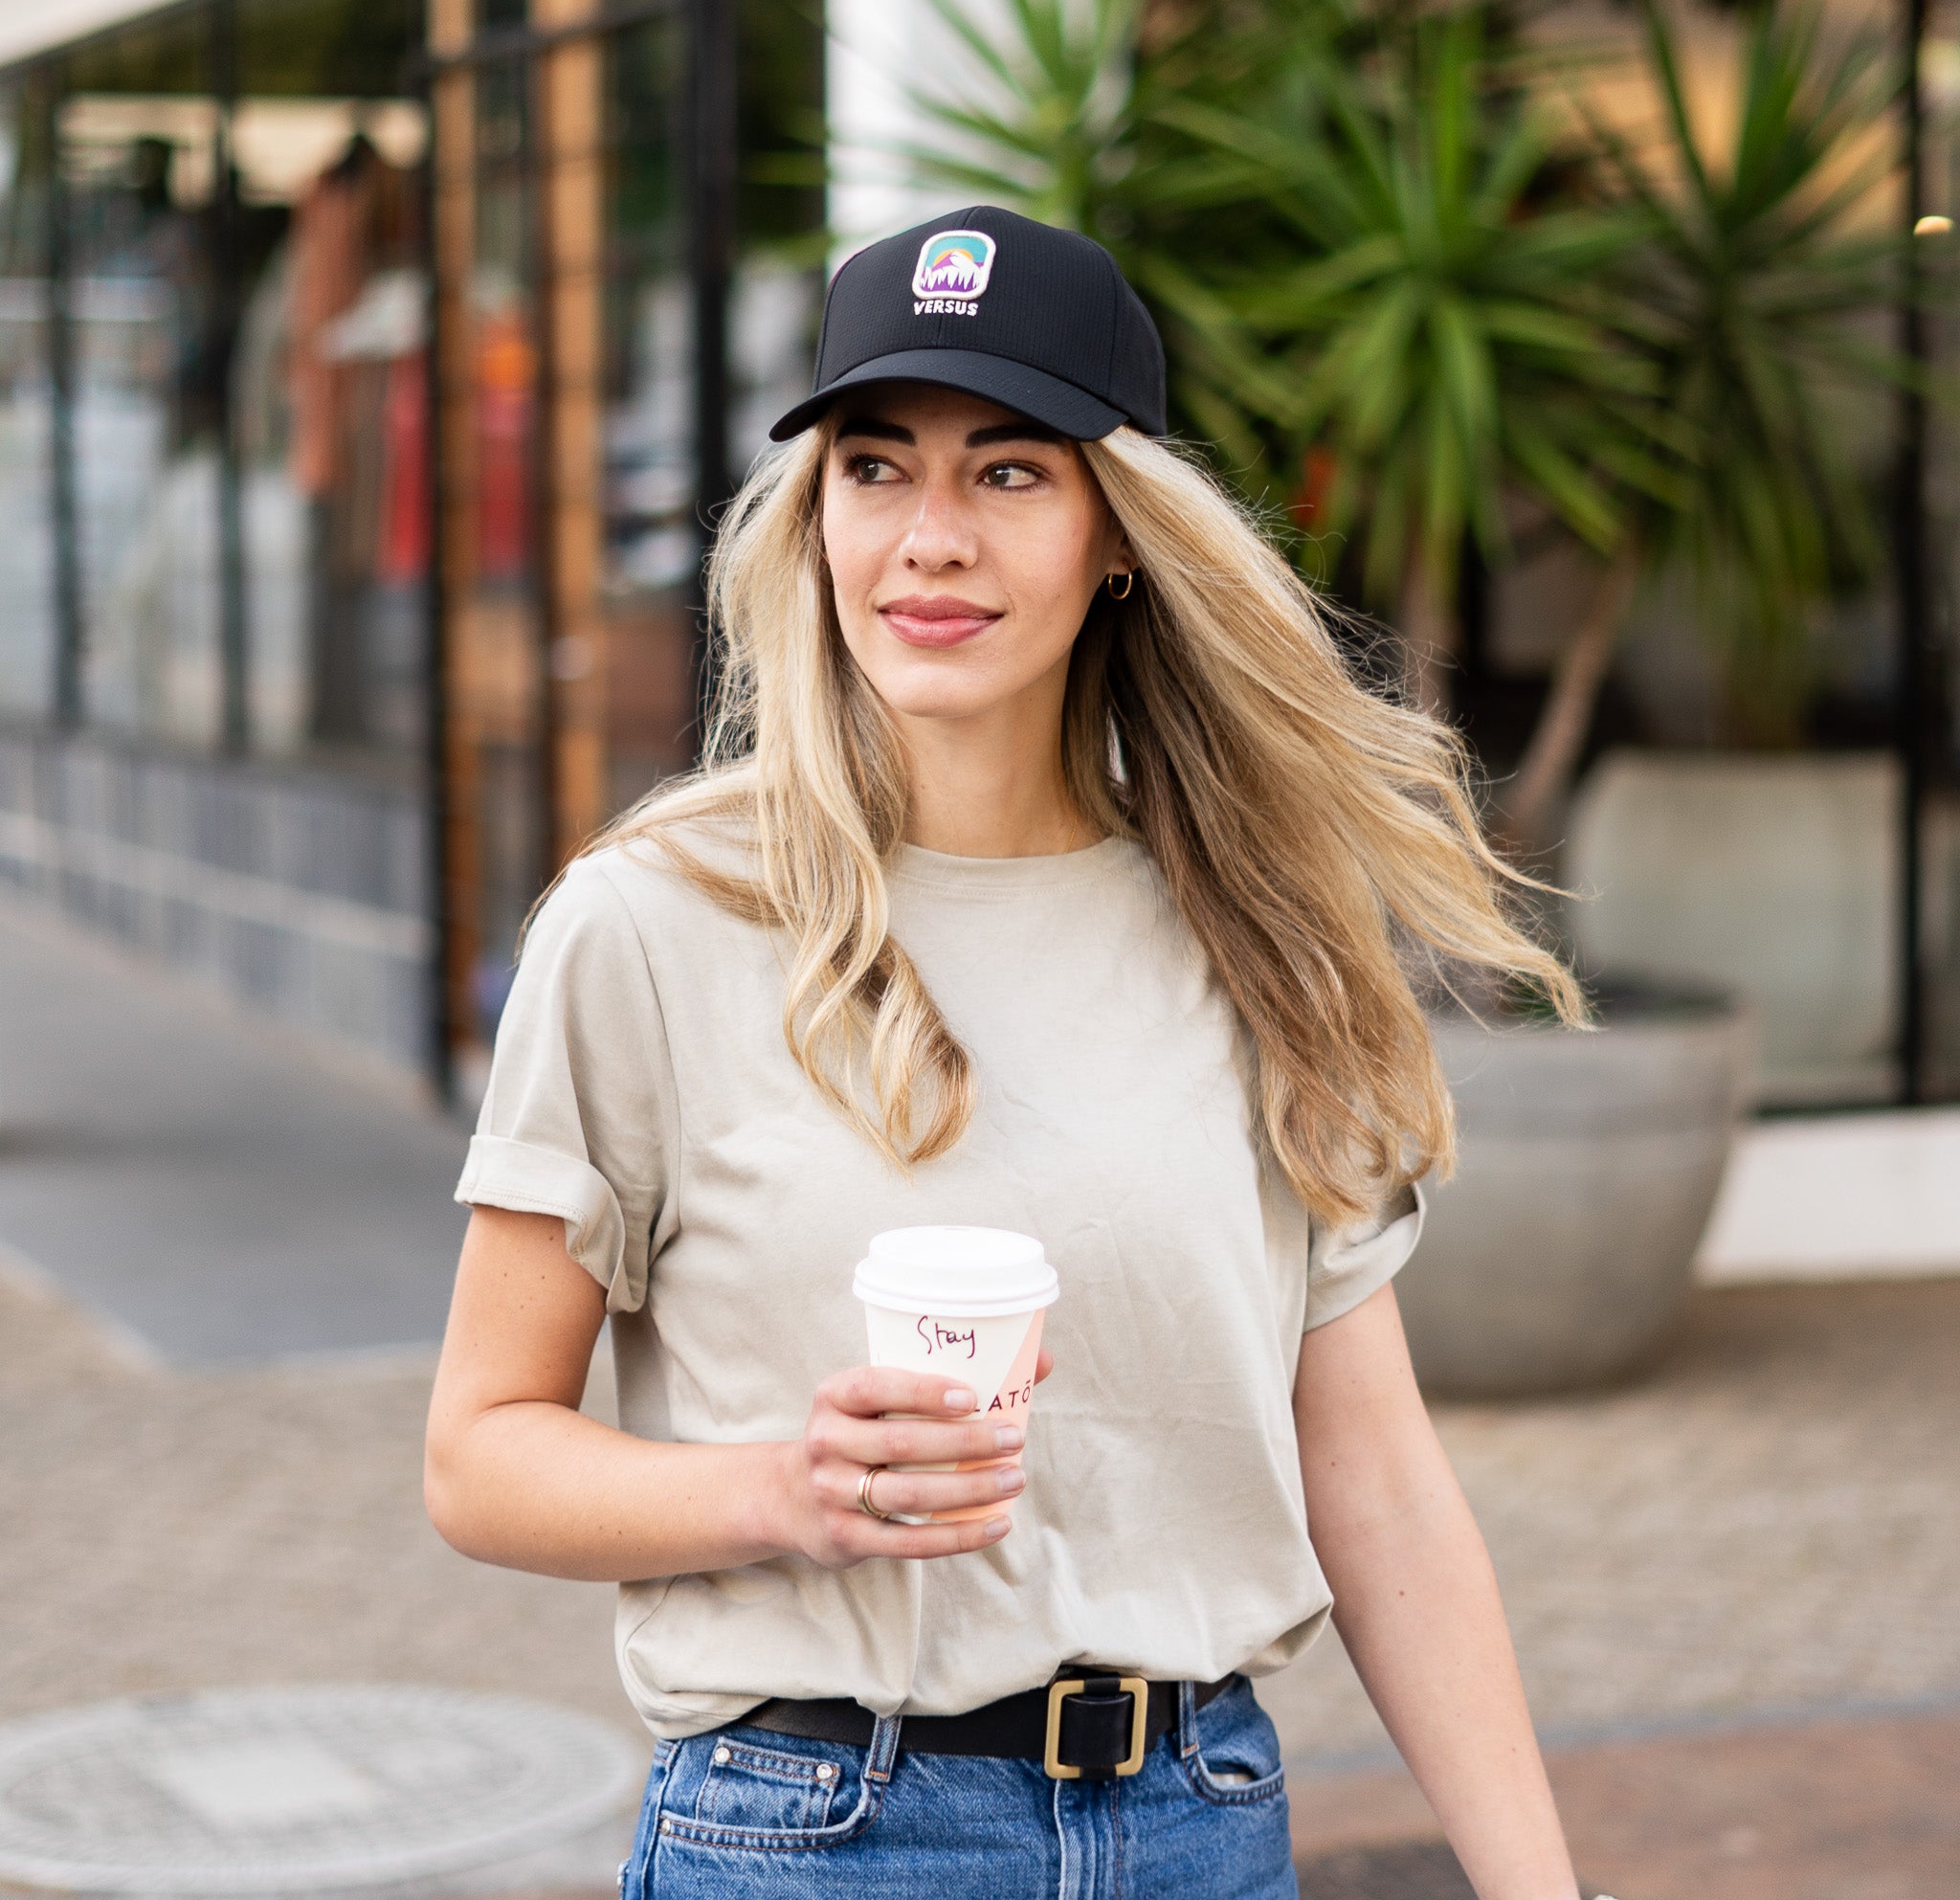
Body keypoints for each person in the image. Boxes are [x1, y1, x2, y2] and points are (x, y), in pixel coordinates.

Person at [426, 206, 1605, 1900]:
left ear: (1119, 532)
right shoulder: (651, 925)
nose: (930, 539)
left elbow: (1376, 1478)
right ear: (813, 516)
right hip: (815, 1833)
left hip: (1204, 1818)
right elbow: (478, 1453)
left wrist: (1538, 1887)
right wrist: (789, 1493)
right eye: (876, 468)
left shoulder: (1255, 928)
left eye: (1008, 473)